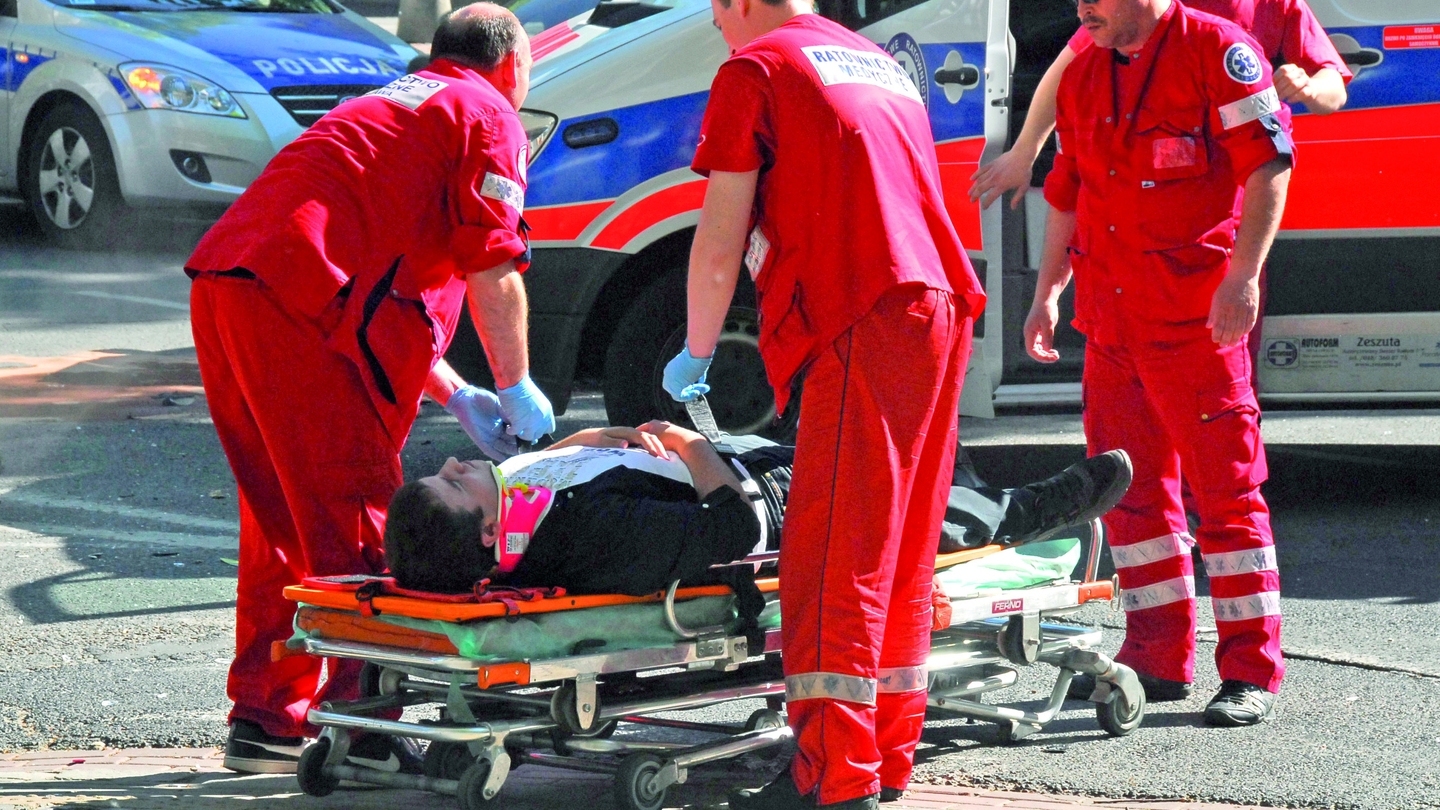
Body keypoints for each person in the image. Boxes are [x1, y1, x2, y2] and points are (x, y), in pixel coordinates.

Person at [185, 4, 556, 774]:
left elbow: (368, 267)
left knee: (283, 523)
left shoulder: (396, 101)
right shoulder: (488, 112)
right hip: (297, 303)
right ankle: (366, 734)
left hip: (234, 281)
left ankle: (267, 717)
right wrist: (517, 384)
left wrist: (455, 392)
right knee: (364, 521)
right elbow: (493, 265)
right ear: (513, 65)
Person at [658, 0, 987, 805]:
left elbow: (719, 240)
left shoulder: (756, 69)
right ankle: (883, 755)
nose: (717, 29)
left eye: (716, 13)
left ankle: (834, 775)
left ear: (738, 3)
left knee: (833, 557)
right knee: (898, 551)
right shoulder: (875, 62)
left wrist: (697, 350)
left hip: (863, 311)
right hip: (939, 305)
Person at [1025, 0, 1293, 727]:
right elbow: (1068, 193)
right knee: (1133, 497)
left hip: (1196, 322)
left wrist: (1244, 277)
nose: (1082, 8)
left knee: (1228, 499)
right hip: (1113, 328)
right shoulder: (1084, 72)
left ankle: (1250, 671)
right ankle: (1156, 657)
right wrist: (1047, 294)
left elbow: (1269, 167)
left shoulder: (1218, 52)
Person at [969, 0, 1351, 386]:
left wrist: (1309, 87)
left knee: (1220, 380)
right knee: (1129, 387)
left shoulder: (1267, 6)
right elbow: (1067, 69)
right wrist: (1025, 150)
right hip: (1137, 224)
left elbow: (1331, 87)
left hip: (1222, 233)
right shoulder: (1134, 9)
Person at [383, 423, 1134, 598]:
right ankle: (1044, 509)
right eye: (453, 483)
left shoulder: (519, 501)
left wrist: (586, 439)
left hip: (748, 459)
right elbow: (732, 529)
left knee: (915, 445)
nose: (451, 462)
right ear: (491, 532)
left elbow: (564, 466)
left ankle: (961, 478)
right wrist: (687, 444)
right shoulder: (589, 537)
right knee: (928, 516)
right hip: (773, 503)